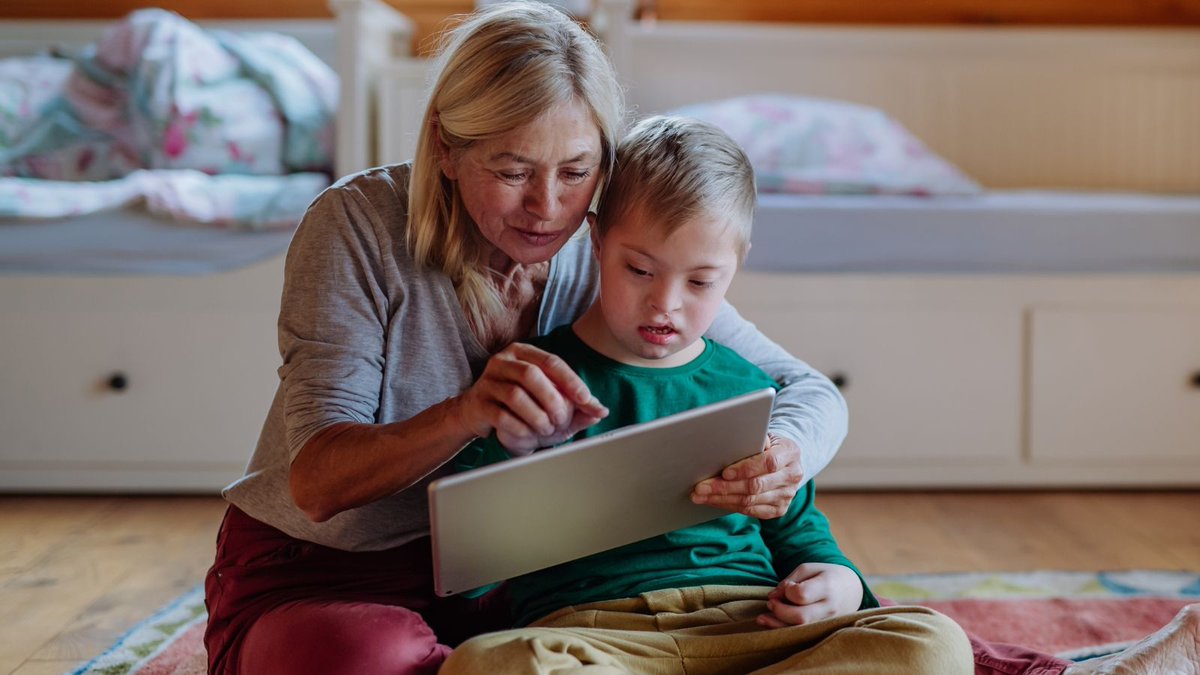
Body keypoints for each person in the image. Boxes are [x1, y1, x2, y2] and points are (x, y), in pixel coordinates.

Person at [201, 3, 850, 674]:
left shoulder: (607, 247)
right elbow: (315, 483)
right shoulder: (356, 226)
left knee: (910, 639)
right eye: (513, 171)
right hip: (327, 572)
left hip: (518, 585)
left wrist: (787, 454)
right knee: (378, 655)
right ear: (446, 149)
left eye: (576, 171)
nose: (548, 208)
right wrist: (465, 413)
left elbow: (804, 389)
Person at [441, 114, 977, 674]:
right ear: (596, 242)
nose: (665, 303)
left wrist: (837, 583)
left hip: (749, 624)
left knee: (932, 642)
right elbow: (471, 573)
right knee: (488, 664)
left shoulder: (749, 388)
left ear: (735, 266)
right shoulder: (537, 379)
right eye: (641, 270)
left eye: (700, 282)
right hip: (597, 638)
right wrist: (511, 447)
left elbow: (801, 533)